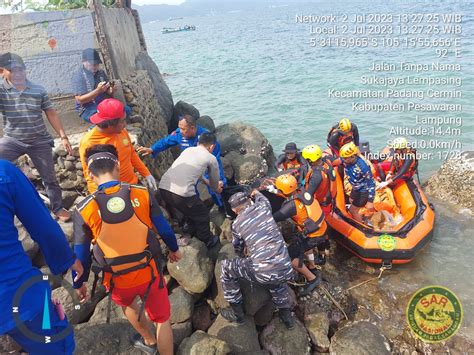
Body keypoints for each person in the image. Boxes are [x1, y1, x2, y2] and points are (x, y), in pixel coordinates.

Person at [72, 144, 181, 355]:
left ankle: (149, 341)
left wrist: (79, 282)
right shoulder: (141, 193)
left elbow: (81, 254)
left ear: (90, 175)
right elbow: (164, 228)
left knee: (129, 304)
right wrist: (175, 249)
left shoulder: (84, 208)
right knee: (162, 319)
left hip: (116, 278)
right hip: (148, 271)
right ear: (118, 166)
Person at [0, 160, 83, 354]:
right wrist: (67, 260)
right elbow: (43, 227)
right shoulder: (5, 172)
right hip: (17, 294)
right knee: (57, 346)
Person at [0, 52, 73, 222]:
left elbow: (51, 112)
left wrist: (63, 136)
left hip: (39, 140)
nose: (18, 74)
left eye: (21, 70)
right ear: (3, 71)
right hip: (12, 140)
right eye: (12, 70)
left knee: (50, 179)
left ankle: (58, 207)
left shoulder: (38, 90)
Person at [220, 190, 294, 329]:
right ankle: (287, 317)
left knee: (226, 268)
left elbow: (238, 248)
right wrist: (256, 192)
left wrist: (245, 256)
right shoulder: (264, 207)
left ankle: (237, 313)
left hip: (263, 272)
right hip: (286, 267)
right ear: (249, 200)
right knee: (276, 279)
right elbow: (262, 197)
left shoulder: (237, 224)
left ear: (235, 210)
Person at [137, 114, 226, 207]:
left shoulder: (206, 138)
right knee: (191, 190)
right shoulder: (179, 134)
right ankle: (196, 208)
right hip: (190, 168)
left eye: (183, 129)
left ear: (192, 128)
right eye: (179, 128)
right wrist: (152, 149)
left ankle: (223, 206)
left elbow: (215, 163)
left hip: (206, 166)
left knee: (216, 186)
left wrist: (218, 180)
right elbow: (166, 142)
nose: (180, 131)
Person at [159, 132, 223, 249]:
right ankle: (206, 240)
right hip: (182, 194)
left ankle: (188, 229)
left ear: (198, 142)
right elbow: (214, 185)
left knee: (191, 209)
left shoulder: (188, 151)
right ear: (212, 147)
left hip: (164, 188)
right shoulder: (211, 158)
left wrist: (206, 181)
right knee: (202, 213)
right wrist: (217, 188)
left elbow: (193, 173)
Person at [79, 98, 157, 193]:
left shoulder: (121, 131)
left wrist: (146, 173)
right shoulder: (89, 143)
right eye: (122, 121)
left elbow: (132, 154)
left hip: (133, 184)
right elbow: (90, 176)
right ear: (110, 124)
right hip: (111, 192)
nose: (125, 124)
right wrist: (101, 198)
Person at [272, 174, 327, 297]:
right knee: (305, 247)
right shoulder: (302, 191)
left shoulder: (291, 206)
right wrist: (273, 190)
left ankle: (312, 278)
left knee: (289, 257)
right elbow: (285, 193)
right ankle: (312, 266)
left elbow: (274, 218)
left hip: (314, 235)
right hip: (321, 228)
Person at [72, 48, 116, 123]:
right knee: (104, 120)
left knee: (124, 110)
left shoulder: (100, 73)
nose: (95, 66)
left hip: (102, 103)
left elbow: (108, 91)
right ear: (83, 62)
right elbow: (80, 100)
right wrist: (98, 91)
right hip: (87, 108)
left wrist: (111, 90)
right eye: (92, 64)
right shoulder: (79, 76)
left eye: (97, 64)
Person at [336, 142, 376, 223]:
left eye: (345, 158)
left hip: (363, 191)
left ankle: (361, 225)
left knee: (352, 210)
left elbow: (371, 183)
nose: (343, 160)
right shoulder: (347, 160)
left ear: (352, 156)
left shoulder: (362, 166)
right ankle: (358, 213)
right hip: (355, 188)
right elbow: (338, 161)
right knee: (350, 200)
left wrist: (370, 200)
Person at [301, 144, 336, 216]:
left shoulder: (316, 176)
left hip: (321, 204)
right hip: (328, 198)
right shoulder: (327, 161)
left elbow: (308, 196)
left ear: (310, 160)